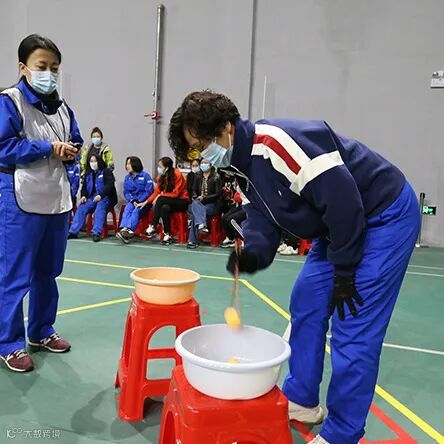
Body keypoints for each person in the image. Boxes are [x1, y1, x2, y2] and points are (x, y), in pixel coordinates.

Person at [168, 90, 420, 444]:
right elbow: (261, 219)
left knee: (353, 325)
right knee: (307, 302)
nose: (202, 154)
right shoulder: (239, 168)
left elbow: (345, 203)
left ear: (225, 128)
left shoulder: (278, 146)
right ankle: (302, 399)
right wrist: (254, 253)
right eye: (195, 150)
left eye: (202, 144)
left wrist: (345, 273)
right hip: (336, 227)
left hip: (383, 216)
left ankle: (342, 434)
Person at [0, 34, 83, 372]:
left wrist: (72, 151)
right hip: (19, 200)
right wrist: (48, 148)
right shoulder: (10, 102)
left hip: (56, 200)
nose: (49, 73)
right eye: (42, 66)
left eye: (55, 68)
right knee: (14, 275)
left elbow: (75, 139)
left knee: (48, 272)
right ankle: (8, 343)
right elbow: (3, 146)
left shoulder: (63, 108)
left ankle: (41, 330)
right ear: (23, 67)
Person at [68, 154, 117, 242]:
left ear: (99, 161)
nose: (93, 163)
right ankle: (73, 232)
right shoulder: (88, 173)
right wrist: (83, 196)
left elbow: (109, 185)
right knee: (82, 208)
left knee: (100, 208)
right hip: (92, 197)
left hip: (106, 197)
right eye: (91, 161)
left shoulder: (106, 171)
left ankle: (96, 233)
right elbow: (84, 188)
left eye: (95, 161)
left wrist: (101, 195)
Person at [141, 156, 189, 245]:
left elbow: (175, 194)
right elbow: (156, 192)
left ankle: (153, 225)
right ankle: (168, 234)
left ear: (166, 168)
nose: (158, 168)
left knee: (161, 199)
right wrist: (146, 202)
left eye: (160, 166)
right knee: (164, 208)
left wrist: (161, 195)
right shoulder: (161, 177)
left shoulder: (177, 175)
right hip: (169, 201)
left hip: (182, 201)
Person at [116, 156, 154, 244]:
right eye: (126, 164)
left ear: (135, 164)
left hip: (145, 203)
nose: (127, 166)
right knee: (127, 209)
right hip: (133, 201)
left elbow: (149, 191)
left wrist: (140, 200)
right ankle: (124, 229)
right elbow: (126, 192)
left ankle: (129, 231)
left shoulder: (145, 176)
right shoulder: (127, 178)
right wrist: (132, 200)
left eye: (129, 164)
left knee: (136, 211)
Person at [187, 159, 221, 249]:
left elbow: (217, 194)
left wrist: (204, 198)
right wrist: (195, 196)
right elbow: (193, 190)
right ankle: (202, 225)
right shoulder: (198, 176)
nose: (203, 164)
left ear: (210, 164)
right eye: (202, 163)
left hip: (211, 204)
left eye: (205, 163)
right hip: (198, 202)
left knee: (196, 214)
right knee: (195, 204)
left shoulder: (216, 177)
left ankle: (192, 240)